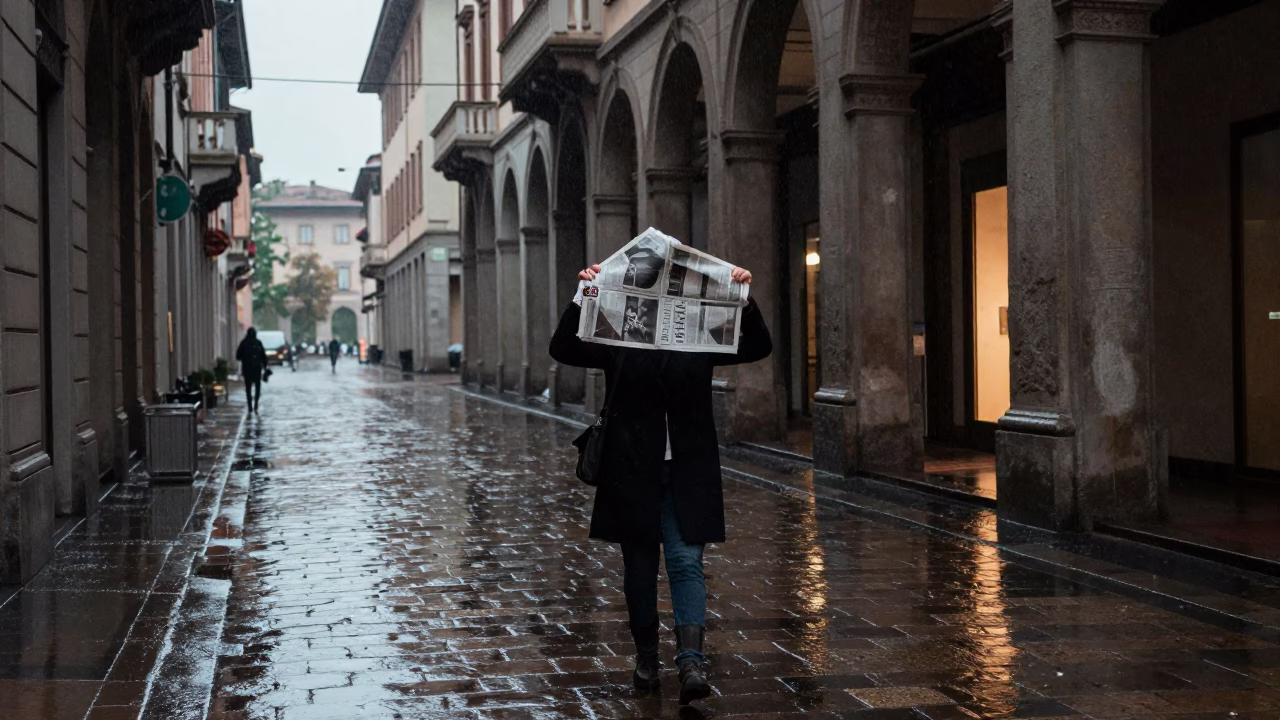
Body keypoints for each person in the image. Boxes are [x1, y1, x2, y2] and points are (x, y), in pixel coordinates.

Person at [549, 260, 771, 705]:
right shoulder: (620, 336)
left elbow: (756, 346)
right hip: (632, 467)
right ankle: (647, 658)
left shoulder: (697, 334)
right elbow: (564, 348)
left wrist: (743, 298)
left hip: (688, 467)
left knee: (686, 563)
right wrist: (583, 295)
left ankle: (691, 663)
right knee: (640, 567)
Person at [235, 327, 268, 413]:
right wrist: (265, 367)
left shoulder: (244, 343)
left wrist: (245, 358)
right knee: (257, 387)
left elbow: (238, 356)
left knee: (248, 388)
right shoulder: (258, 343)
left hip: (247, 369)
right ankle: (256, 404)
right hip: (257, 369)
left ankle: (250, 406)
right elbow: (263, 357)